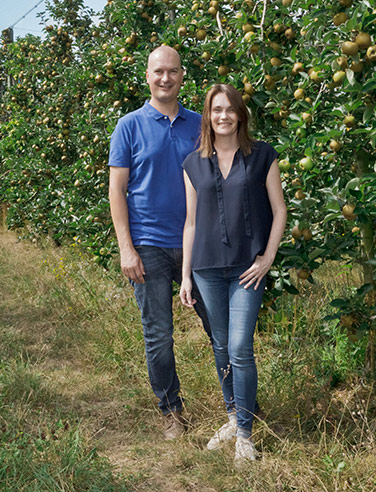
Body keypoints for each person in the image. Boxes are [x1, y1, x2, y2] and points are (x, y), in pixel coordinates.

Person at [108, 46, 212, 441]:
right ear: (147, 76)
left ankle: (240, 403)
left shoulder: (199, 125)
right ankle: (171, 410)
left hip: (198, 242)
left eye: (172, 72)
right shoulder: (129, 126)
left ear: (182, 75)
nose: (165, 78)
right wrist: (126, 248)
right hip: (148, 244)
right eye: (158, 72)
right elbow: (117, 191)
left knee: (219, 325)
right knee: (158, 334)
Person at [179, 84, 287, 463]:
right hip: (206, 268)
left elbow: (280, 211)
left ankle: (245, 433)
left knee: (241, 347)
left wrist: (267, 257)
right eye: (215, 110)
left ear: (240, 114)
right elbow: (190, 222)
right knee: (221, 345)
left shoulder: (262, 157)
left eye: (229, 109)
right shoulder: (193, 163)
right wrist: (186, 276)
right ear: (207, 116)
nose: (223, 116)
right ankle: (231, 416)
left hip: (247, 269)